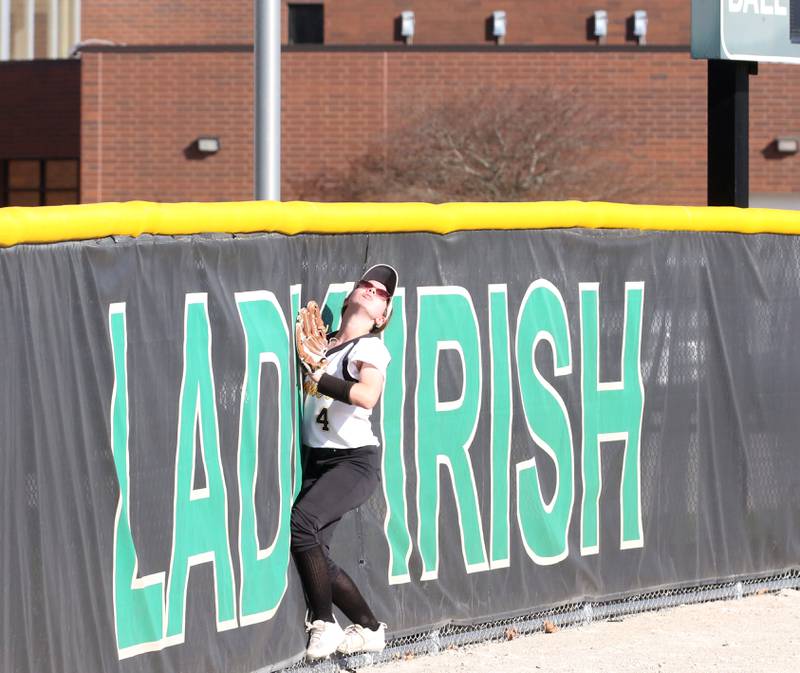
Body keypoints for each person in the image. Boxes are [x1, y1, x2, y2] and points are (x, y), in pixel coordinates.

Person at [291, 263, 398, 660]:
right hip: (320, 461)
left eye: (381, 293)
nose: (372, 290)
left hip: (353, 462)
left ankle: (324, 622)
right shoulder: (323, 343)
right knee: (314, 547)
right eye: (366, 285)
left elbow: (368, 396)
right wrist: (318, 366)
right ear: (351, 295)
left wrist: (319, 377)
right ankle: (369, 628)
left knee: (302, 524)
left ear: (382, 316)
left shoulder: (369, 347)